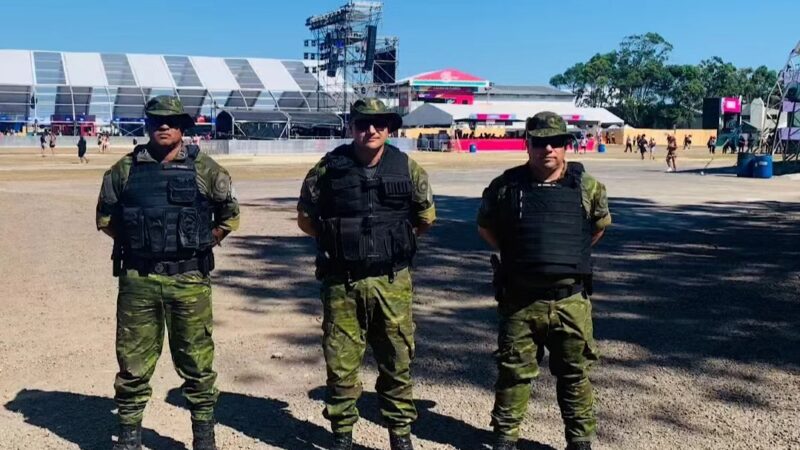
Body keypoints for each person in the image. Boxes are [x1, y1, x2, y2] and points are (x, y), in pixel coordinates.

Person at [96, 96, 240, 450]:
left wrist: (201, 243)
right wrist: (140, 242)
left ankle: (203, 436)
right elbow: (105, 219)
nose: (164, 126)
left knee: (197, 362)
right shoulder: (124, 170)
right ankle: (129, 436)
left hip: (189, 281)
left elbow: (230, 216)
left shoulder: (206, 170)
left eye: (172, 121)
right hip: (138, 280)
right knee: (132, 364)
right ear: (146, 124)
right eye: (157, 120)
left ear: (182, 127)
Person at [297, 98, 436, 450]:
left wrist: (392, 243)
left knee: (397, 360)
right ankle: (342, 435)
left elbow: (425, 218)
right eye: (362, 123)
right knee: (341, 363)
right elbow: (305, 218)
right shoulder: (329, 168)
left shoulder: (407, 167)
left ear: (388, 128)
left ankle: (400, 435)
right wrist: (341, 241)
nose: (370, 130)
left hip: (392, 282)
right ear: (352, 127)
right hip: (342, 281)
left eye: (378, 123)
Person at [477, 112, 610, 450]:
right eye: (539, 142)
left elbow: (595, 228)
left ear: (567, 145)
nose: (547, 148)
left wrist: (566, 257)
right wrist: (519, 254)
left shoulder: (588, 186)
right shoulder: (505, 186)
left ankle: (580, 442)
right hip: (520, 300)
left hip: (570, 301)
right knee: (513, 375)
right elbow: (486, 228)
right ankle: (505, 440)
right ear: (528, 144)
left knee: (575, 376)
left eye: (556, 141)